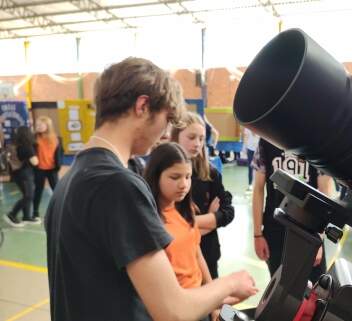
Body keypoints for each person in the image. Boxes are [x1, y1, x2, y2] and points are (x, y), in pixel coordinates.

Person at [45, 57, 257, 321]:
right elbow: (173, 311)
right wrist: (229, 284)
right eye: (166, 119)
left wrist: (212, 295)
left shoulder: (69, 181)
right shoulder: (118, 185)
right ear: (143, 106)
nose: (165, 132)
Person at [145, 142, 233, 321]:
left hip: (200, 300)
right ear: (156, 177)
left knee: (232, 316)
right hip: (177, 308)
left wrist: (214, 299)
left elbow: (197, 254)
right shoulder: (149, 221)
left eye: (188, 177)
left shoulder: (187, 210)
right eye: (175, 177)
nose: (183, 184)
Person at [252, 138, 334, 282]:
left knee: (316, 291)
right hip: (275, 228)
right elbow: (258, 189)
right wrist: (257, 235)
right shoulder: (266, 139)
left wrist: (319, 241)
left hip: (308, 231)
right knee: (280, 288)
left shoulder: (318, 138)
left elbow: (324, 193)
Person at [171, 111, 234, 279]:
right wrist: (211, 219)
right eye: (191, 137)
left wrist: (189, 224)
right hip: (178, 260)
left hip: (208, 253)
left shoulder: (210, 174)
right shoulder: (164, 175)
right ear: (176, 137)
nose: (197, 143)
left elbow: (228, 212)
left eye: (201, 138)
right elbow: (169, 230)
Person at [4, 126, 39, 227]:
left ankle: (27, 216)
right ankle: (12, 215)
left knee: (26, 195)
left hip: (17, 174)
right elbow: (35, 162)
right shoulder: (27, 147)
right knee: (29, 196)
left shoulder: (16, 145)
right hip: (25, 175)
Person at [33, 116, 62, 221]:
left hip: (52, 169)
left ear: (48, 126)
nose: (39, 127)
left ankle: (60, 211)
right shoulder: (34, 137)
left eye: (41, 124)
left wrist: (58, 165)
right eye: (37, 125)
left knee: (57, 191)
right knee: (38, 191)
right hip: (39, 169)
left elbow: (59, 153)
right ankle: (35, 212)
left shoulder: (56, 138)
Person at [243, 128, 259, 192]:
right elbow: (246, 136)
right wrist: (244, 147)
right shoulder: (247, 126)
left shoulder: (260, 125)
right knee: (250, 167)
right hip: (250, 149)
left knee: (258, 168)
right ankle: (250, 184)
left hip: (258, 149)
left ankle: (258, 184)